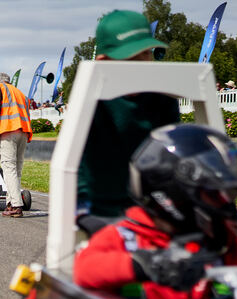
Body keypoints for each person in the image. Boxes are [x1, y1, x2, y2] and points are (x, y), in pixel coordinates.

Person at [74, 124, 237, 299]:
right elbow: (85, 268)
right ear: (173, 195)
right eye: (216, 195)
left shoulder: (221, 246)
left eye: (230, 195)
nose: (227, 207)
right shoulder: (126, 239)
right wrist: (144, 264)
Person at [77, 10, 180, 220]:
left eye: (146, 53)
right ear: (103, 61)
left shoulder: (163, 98)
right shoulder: (93, 101)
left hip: (153, 210)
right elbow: (78, 165)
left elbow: (171, 155)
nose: (142, 63)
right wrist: (83, 214)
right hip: (101, 210)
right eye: (131, 56)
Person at [0, 72, 33, 218]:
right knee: (17, 170)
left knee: (9, 168)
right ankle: (10, 202)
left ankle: (16, 205)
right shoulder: (19, 92)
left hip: (8, 130)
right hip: (23, 131)